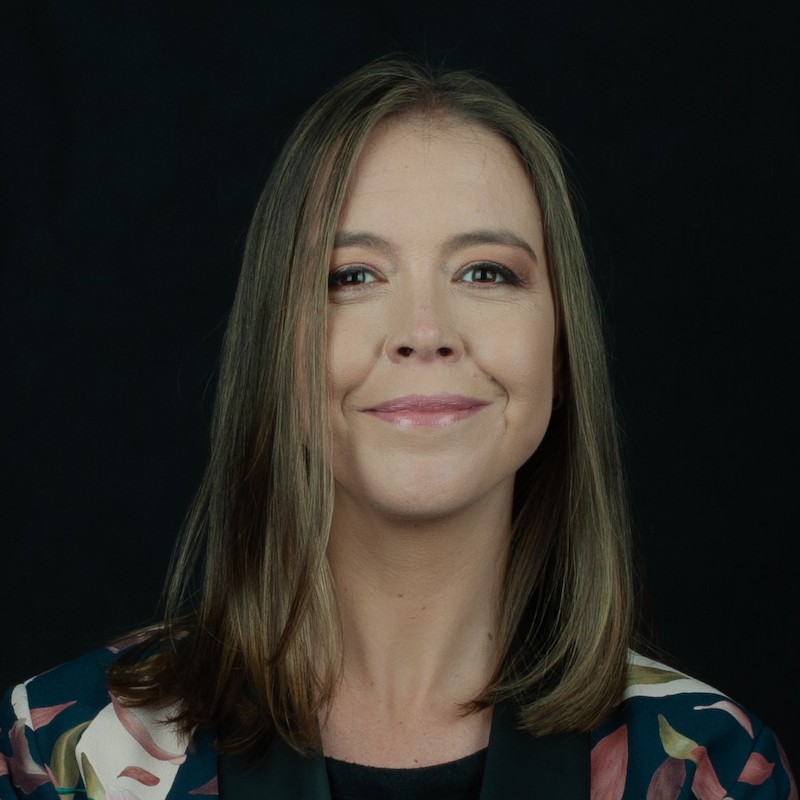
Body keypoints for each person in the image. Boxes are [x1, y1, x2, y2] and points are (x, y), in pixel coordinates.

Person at [0, 58, 794, 800]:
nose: (423, 329)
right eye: (353, 275)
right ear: (277, 347)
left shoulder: (710, 770)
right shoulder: (63, 756)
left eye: (486, 272)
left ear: (560, 345)